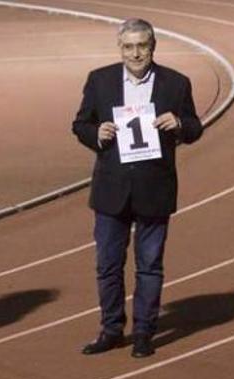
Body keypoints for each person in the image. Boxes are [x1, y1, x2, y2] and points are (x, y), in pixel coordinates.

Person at [72, 18, 202, 358]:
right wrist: (95, 134)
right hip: (111, 188)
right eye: (128, 47)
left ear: (153, 46)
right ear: (120, 49)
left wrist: (179, 125)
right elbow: (80, 123)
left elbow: (194, 126)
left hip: (154, 187)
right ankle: (111, 329)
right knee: (108, 265)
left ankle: (144, 331)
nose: (135, 53)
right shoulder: (99, 80)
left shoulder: (176, 83)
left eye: (142, 46)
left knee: (149, 265)